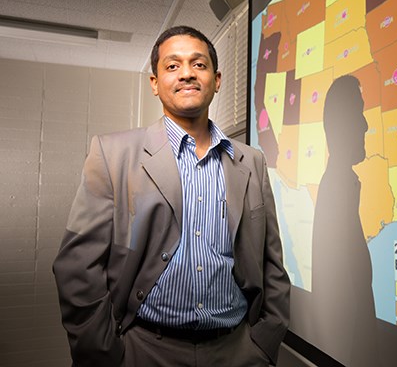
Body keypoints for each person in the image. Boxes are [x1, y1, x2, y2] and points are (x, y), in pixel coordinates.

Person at [53, 26, 290, 367]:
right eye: (173, 65)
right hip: (144, 351)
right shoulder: (112, 153)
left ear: (217, 79)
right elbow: (76, 267)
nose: (187, 73)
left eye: (199, 64)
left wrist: (265, 344)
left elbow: (272, 263)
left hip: (238, 350)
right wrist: (103, 354)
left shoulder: (251, 161)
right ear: (155, 83)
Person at [311, 75, 380, 366]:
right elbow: (342, 308)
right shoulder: (336, 190)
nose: (365, 125)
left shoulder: (342, 185)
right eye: (358, 113)